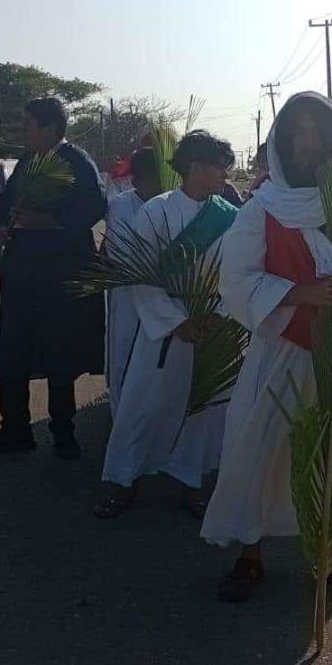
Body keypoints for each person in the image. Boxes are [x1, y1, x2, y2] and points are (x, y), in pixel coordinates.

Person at [200, 91, 332, 606]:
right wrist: (301, 293)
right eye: (298, 134)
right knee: (259, 453)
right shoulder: (262, 208)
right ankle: (250, 557)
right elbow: (237, 280)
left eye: (319, 134)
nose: (308, 145)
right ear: (282, 142)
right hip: (281, 353)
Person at [95, 130, 239, 519]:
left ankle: (190, 480)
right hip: (166, 326)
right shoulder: (155, 211)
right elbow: (142, 275)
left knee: (203, 407)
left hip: (212, 323)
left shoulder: (230, 217)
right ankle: (124, 480)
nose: (225, 176)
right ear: (196, 167)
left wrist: (218, 315)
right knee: (142, 405)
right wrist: (175, 321)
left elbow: (239, 273)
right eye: (219, 167)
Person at [0, 97, 106, 458]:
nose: (23, 131)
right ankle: (14, 430)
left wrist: (52, 222)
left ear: (50, 128)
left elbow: (94, 206)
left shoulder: (76, 161)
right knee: (14, 348)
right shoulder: (27, 162)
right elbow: (7, 201)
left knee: (59, 351)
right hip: (21, 273)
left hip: (61, 274)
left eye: (28, 124)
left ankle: (63, 431)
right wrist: (2, 225)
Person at [104, 147, 163, 420]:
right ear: (136, 180)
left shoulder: (172, 202)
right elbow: (122, 255)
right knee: (125, 358)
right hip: (129, 297)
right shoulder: (121, 205)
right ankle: (122, 421)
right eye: (151, 179)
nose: (157, 185)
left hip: (166, 299)